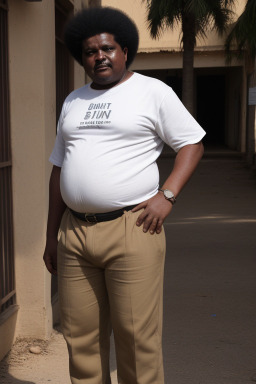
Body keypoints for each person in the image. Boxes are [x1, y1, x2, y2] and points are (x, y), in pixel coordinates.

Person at [43, 6, 205, 384]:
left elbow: (192, 143)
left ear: (124, 51)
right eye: (89, 51)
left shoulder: (152, 92)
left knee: (136, 339)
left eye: (107, 49)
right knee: (80, 339)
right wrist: (52, 235)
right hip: (75, 234)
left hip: (133, 228)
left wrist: (167, 194)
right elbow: (59, 168)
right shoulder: (73, 101)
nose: (99, 56)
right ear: (81, 58)